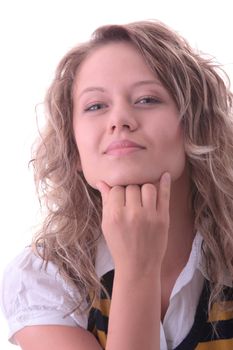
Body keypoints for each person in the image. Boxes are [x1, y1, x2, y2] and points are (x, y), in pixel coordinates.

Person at [1, 19, 233, 350]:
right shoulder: (43, 278)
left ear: (197, 125)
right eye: (96, 106)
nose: (119, 119)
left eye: (147, 99)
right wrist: (137, 267)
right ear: (74, 147)